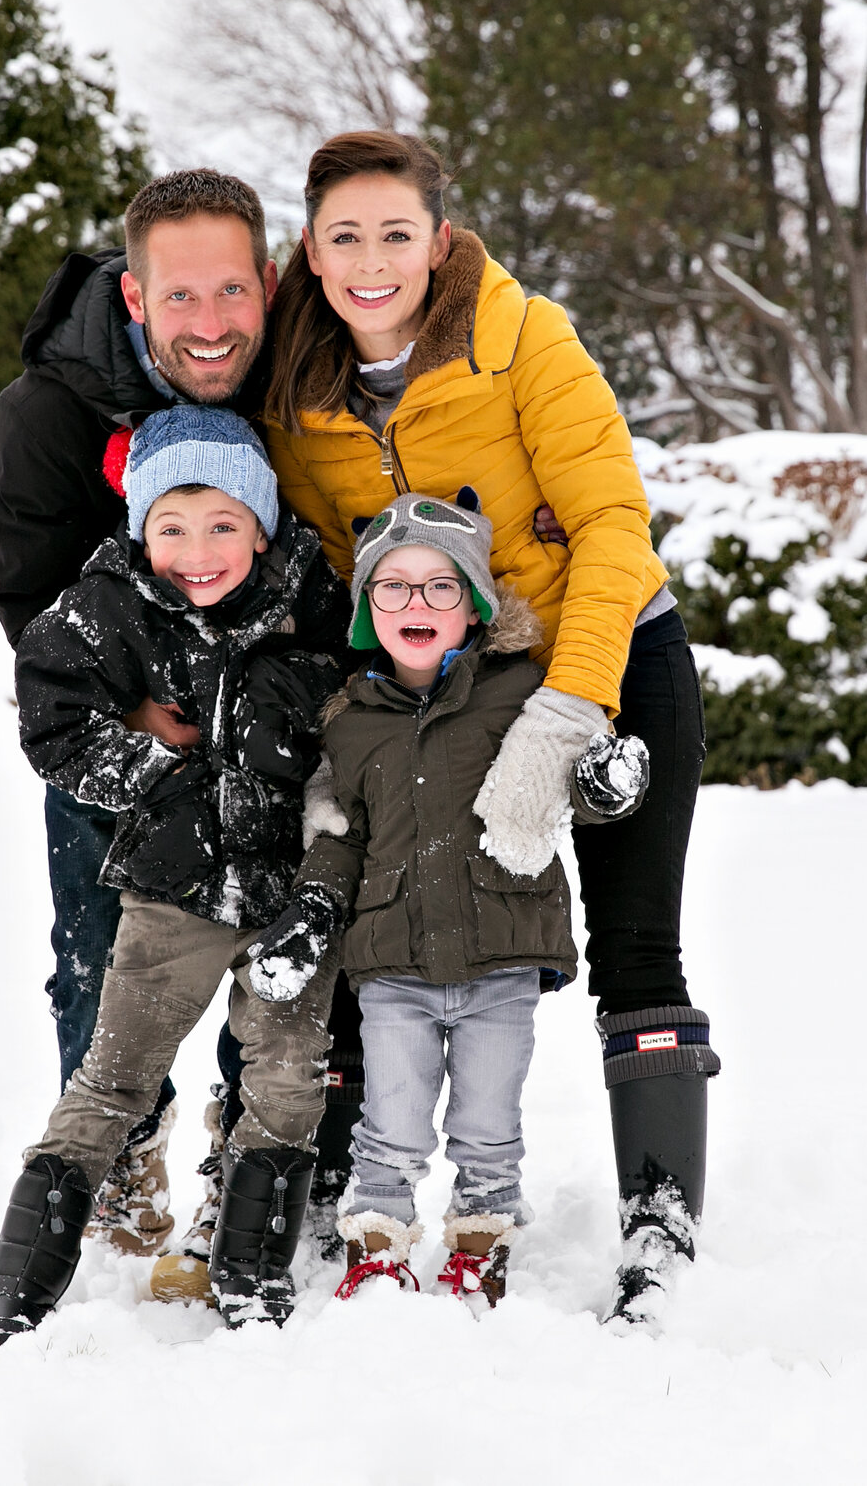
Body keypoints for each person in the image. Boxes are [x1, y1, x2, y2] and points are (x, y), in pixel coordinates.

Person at [263, 131, 721, 1322]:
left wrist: (569, 711)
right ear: (310, 254)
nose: (371, 261)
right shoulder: (296, 388)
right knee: (387, 927)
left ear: (441, 242)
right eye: (344, 237)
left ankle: (659, 1212)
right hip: (429, 688)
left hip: (604, 652)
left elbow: (614, 524)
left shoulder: (524, 338)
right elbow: (318, 562)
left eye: (396, 234)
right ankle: (352, 1191)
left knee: (633, 943)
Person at [0, 169, 365, 1272]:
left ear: (270, 280)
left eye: (232, 292)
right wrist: (143, 724)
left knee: (287, 940)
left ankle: (244, 1165)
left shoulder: (295, 377)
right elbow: (29, 596)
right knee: (104, 945)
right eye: (182, 297)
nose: (212, 323)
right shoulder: (51, 411)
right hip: (128, 713)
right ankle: (114, 1159)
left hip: (277, 722)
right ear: (137, 297)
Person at [0, 406, 349, 1349]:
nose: (198, 551)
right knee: (113, 1077)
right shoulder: (108, 605)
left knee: (289, 1079)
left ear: (261, 526)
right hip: (171, 889)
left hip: (285, 898)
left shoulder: (314, 603)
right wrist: (151, 767)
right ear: (140, 528)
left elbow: (357, 717)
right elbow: (50, 716)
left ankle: (250, 1270)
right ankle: (15, 1285)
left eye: (224, 525)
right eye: (171, 528)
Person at [244, 491, 646, 1309]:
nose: (415, 604)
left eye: (440, 586)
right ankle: (380, 1244)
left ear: (475, 604)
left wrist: (608, 786)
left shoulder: (520, 693)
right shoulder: (350, 722)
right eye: (392, 587)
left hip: (502, 955)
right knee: (389, 1121)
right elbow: (338, 833)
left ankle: (478, 1241)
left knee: (489, 1126)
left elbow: (570, 777)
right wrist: (312, 910)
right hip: (392, 965)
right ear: (366, 610)